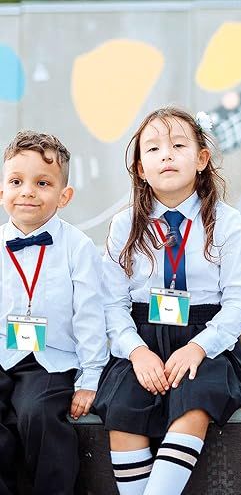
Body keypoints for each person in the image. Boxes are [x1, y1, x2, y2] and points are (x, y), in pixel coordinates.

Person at [94, 107, 241, 495]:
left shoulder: (225, 221)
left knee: (195, 400)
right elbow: (111, 304)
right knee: (123, 408)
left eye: (179, 145)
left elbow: (239, 302)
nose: (166, 154)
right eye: (153, 148)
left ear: (202, 159)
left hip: (205, 341)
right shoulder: (124, 225)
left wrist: (199, 347)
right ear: (140, 169)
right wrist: (136, 353)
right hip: (142, 339)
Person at [0, 131, 107, 495]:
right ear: (2, 191)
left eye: (42, 183)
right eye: (16, 182)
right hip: (3, 353)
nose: (27, 192)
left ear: (64, 196)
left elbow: (90, 316)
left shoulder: (77, 248)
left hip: (51, 360)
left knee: (39, 414)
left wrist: (91, 377)